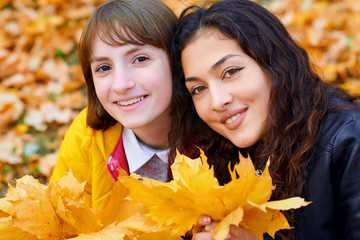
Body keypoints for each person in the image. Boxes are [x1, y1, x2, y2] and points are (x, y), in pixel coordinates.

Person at [170, 0, 360, 239]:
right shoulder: (219, 157)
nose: (217, 101)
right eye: (198, 89)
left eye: (231, 72)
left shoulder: (349, 142)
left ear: (274, 64)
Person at [50, 0, 177, 210]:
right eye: (104, 67)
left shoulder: (219, 127)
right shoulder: (86, 137)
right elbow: (58, 221)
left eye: (140, 59)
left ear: (176, 61)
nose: (121, 85)